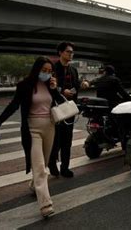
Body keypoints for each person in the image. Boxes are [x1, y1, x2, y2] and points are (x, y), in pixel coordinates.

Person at [0, 57, 63, 217]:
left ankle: (34, 185)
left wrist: (55, 89)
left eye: (50, 71)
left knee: (45, 163)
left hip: (50, 127)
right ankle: (45, 205)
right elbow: (13, 106)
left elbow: (60, 103)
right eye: (44, 71)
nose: (47, 74)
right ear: (37, 69)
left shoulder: (50, 86)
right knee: (40, 167)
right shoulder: (25, 85)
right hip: (32, 129)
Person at [48, 41, 80, 178]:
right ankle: (52, 162)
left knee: (68, 139)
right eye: (68, 51)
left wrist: (79, 87)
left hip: (70, 108)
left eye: (72, 52)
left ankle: (65, 167)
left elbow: (76, 86)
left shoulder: (73, 70)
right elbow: (49, 86)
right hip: (56, 108)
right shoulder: (53, 69)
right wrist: (62, 91)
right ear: (60, 53)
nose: (70, 54)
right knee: (57, 140)